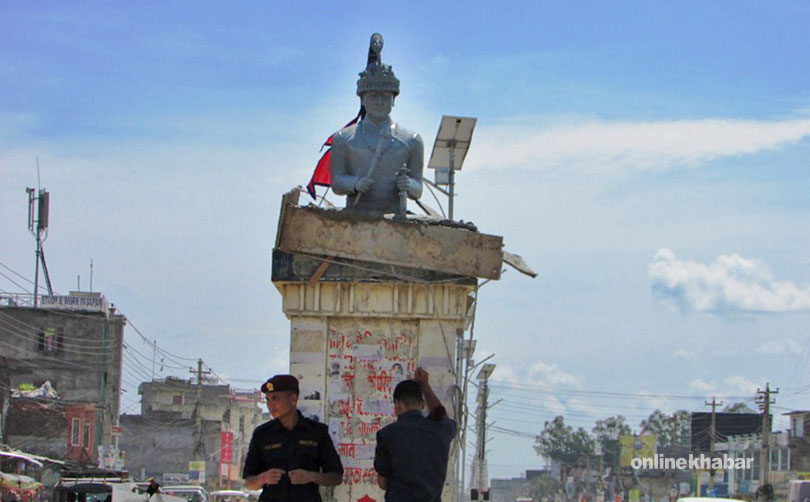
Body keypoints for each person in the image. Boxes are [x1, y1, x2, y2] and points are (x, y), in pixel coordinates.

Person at [330, 33, 423, 215]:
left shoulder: (412, 140)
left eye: (385, 96)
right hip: (356, 216)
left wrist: (409, 185)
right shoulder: (343, 139)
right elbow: (337, 182)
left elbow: (418, 188)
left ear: (394, 100)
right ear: (363, 99)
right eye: (373, 96)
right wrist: (355, 183)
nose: (379, 102)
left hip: (396, 217)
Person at [243, 374, 343, 502]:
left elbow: (336, 476)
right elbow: (249, 482)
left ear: (293, 399)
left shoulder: (317, 432)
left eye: (275, 398)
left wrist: (311, 476)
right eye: (267, 399)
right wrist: (263, 478)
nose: (270, 404)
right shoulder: (262, 434)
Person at [373, 367, 457, 502]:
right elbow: (443, 417)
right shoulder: (442, 430)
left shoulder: (387, 435)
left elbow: (383, 483)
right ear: (423, 404)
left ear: (397, 405)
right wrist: (425, 386)